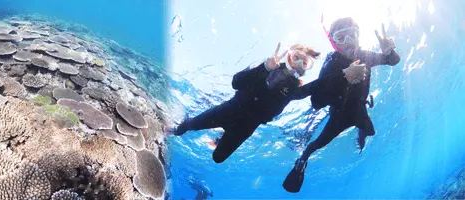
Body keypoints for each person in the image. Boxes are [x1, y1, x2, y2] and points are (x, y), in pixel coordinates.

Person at [283, 17, 400, 193]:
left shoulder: (365, 55)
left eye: (353, 35)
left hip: (360, 111)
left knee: (370, 132)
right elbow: (316, 103)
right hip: (338, 117)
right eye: (341, 37)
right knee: (314, 146)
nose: (348, 42)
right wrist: (344, 75)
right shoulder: (332, 63)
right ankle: (301, 162)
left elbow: (392, 61)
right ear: (333, 42)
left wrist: (390, 51)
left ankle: (361, 134)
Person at [168, 43, 321, 163]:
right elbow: (236, 82)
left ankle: (220, 138)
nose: (298, 64)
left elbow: (319, 87)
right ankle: (176, 129)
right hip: (227, 110)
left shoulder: (295, 88)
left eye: (305, 63)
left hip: (245, 128)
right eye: (296, 57)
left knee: (218, 158)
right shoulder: (266, 65)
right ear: (288, 55)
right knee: (190, 125)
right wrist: (265, 68)